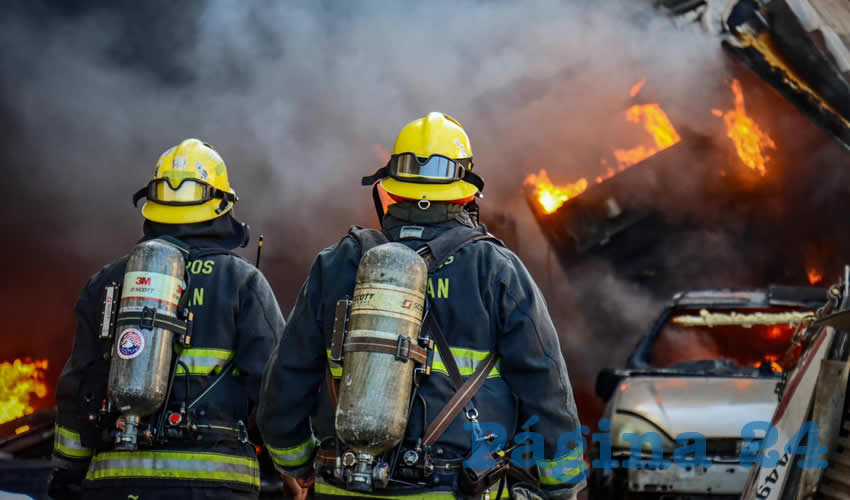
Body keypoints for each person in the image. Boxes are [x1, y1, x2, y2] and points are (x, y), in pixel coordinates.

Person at [257, 112, 586, 499]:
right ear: (465, 193)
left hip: (346, 484)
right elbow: (545, 384)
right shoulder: (495, 269)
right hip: (456, 486)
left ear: (389, 190)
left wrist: (295, 462)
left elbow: (286, 381)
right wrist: (562, 483)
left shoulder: (338, 264)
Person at [48, 139, 285, 500]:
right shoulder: (242, 282)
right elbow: (274, 387)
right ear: (221, 206)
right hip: (213, 487)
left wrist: (67, 473)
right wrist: (292, 465)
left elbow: (78, 388)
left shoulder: (108, 282)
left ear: (152, 206)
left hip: (115, 481)